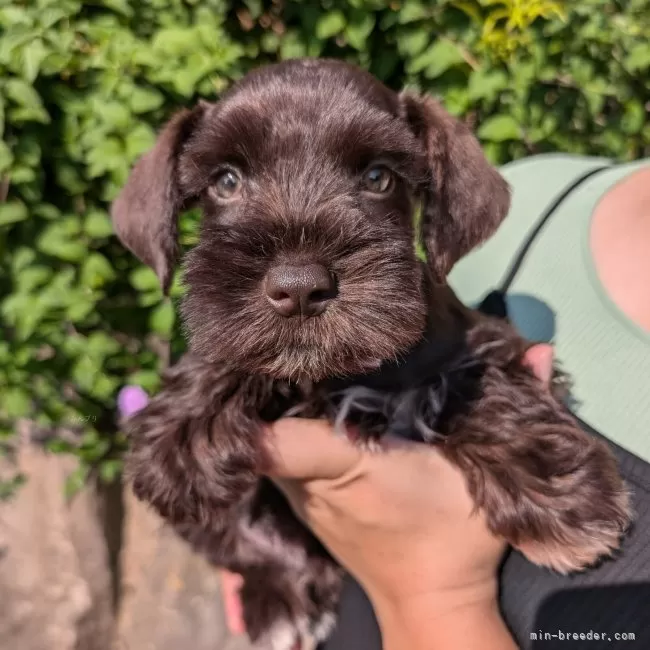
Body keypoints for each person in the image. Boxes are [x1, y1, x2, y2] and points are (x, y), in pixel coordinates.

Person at [121, 154, 650, 648]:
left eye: (376, 179)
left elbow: (461, 347)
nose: (298, 273)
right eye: (229, 181)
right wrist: (251, 542)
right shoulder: (542, 197)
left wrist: (433, 597)